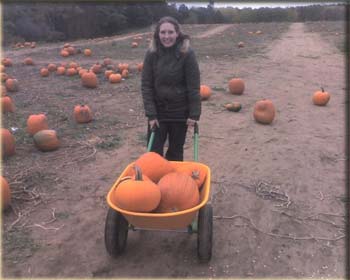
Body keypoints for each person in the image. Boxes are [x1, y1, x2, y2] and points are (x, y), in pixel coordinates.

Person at [141, 16, 201, 161]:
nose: (166, 36)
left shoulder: (187, 53)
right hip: (158, 112)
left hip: (180, 112)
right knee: (154, 154)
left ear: (177, 33)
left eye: (170, 32)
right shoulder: (151, 54)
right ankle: (154, 181)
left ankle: (174, 182)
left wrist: (194, 114)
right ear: (157, 34)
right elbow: (146, 86)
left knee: (175, 152)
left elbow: (193, 86)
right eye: (163, 32)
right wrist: (151, 114)